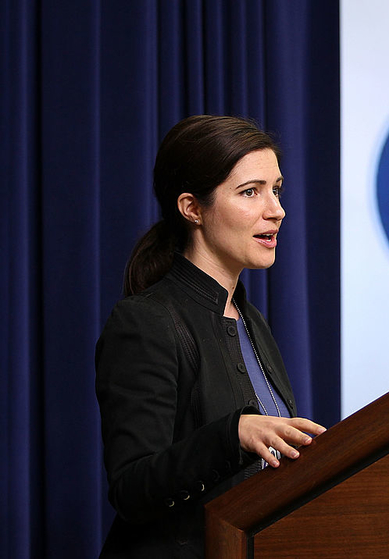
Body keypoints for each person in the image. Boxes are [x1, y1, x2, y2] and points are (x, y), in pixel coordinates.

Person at [95, 115, 325, 558]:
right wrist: (232, 434)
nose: (276, 209)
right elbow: (132, 488)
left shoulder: (250, 319)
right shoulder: (145, 321)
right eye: (251, 192)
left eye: (276, 189)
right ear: (192, 208)